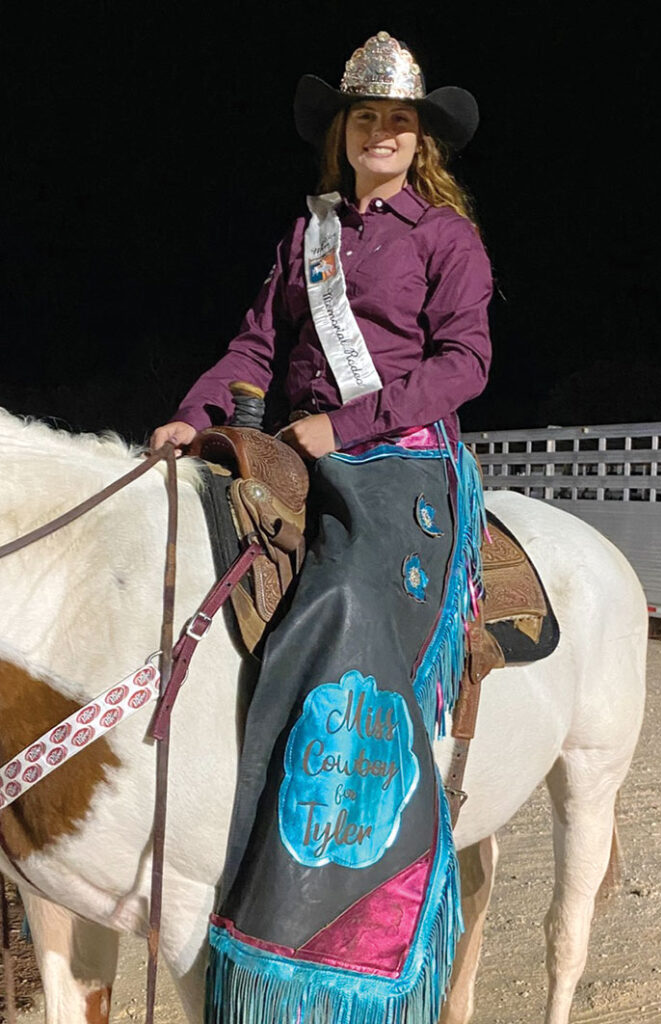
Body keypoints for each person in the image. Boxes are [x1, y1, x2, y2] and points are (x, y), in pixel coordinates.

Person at [151, 31, 493, 1024]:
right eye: (365, 117)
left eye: (398, 121)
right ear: (341, 134)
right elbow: (256, 343)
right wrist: (198, 411)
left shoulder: (445, 238)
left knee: (341, 598)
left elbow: (465, 362)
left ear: (417, 140)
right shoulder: (306, 239)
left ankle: (341, 912)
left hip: (401, 460)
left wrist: (345, 425)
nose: (381, 132)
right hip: (296, 447)